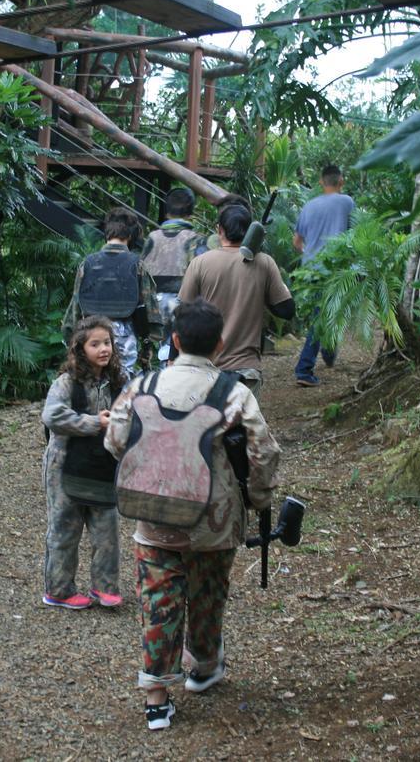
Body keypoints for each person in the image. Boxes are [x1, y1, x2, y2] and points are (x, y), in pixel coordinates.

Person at [104, 299, 282, 730]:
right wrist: (257, 500)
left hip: (155, 516)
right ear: (220, 343)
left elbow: (115, 441)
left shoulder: (142, 385)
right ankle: (203, 667)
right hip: (215, 521)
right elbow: (263, 453)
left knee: (158, 600)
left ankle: (156, 697)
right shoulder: (234, 392)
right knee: (207, 594)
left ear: (175, 340)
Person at [40, 315, 127, 610]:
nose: (104, 349)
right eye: (95, 344)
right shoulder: (66, 383)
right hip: (63, 466)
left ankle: (105, 588)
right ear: (80, 348)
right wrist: (94, 422)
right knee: (65, 528)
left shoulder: (118, 382)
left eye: (108, 343)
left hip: (103, 467)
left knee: (107, 528)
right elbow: (52, 416)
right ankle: (59, 590)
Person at [179, 204, 294, 391]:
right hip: (246, 371)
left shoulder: (200, 263)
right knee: (245, 420)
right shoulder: (264, 263)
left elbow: (182, 315)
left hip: (205, 369)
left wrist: (174, 359)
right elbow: (287, 311)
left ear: (219, 230)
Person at [62, 208, 161, 376]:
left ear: (106, 234)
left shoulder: (87, 263)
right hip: (124, 335)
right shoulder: (137, 265)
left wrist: (71, 337)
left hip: (91, 336)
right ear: (131, 236)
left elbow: (75, 306)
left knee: (92, 381)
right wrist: (148, 345)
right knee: (122, 385)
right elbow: (149, 308)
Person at [292, 164, 355, 387]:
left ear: (321, 182)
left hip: (309, 272)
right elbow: (353, 234)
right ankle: (304, 369)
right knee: (322, 318)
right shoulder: (346, 202)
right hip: (333, 269)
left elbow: (296, 242)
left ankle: (328, 354)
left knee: (324, 314)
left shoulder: (309, 206)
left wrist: (310, 254)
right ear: (341, 181)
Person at [140, 188, 204, 362]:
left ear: (167, 212)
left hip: (153, 305)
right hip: (183, 304)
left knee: (157, 354)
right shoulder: (195, 239)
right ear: (190, 214)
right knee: (180, 353)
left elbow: (142, 270)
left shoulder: (152, 238)